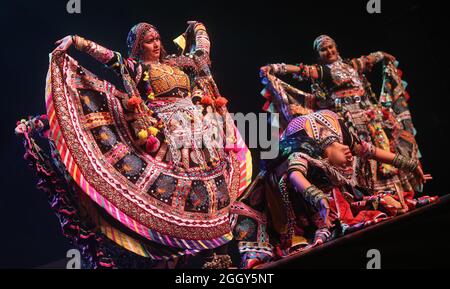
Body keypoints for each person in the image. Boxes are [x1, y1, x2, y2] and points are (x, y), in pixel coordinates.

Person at [15, 21, 252, 268]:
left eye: (158, 39)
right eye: (150, 41)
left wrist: (200, 28)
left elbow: (201, 53)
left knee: (217, 190)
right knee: (184, 191)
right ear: (138, 47)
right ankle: (179, 250)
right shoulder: (139, 70)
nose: (157, 44)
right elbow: (111, 58)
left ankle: (219, 255)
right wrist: (77, 41)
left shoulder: (177, 63)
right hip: (171, 136)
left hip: (203, 135)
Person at [231, 110, 436, 268]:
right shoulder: (302, 149)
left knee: (362, 203)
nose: (349, 153)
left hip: (317, 195)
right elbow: (295, 176)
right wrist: (319, 198)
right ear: (328, 153)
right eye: (345, 151)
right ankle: (298, 232)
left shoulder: (342, 140)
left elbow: (372, 152)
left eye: (348, 149)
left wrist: (410, 165)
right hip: (289, 201)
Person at [260, 35, 422, 203]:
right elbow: (301, 70)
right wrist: (275, 68)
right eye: (323, 49)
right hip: (348, 121)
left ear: (336, 47)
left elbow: (368, 59)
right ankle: (369, 197)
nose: (329, 51)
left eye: (331, 47)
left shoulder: (351, 66)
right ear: (319, 55)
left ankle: (397, 195)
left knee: (381, 151)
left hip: (371, 118)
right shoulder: (324, 71)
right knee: (359, 158)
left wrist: (382, 55)